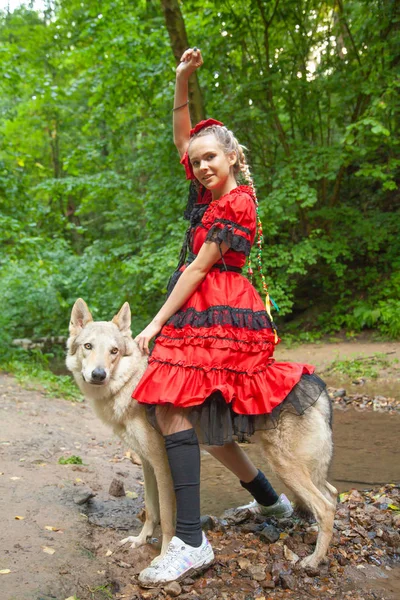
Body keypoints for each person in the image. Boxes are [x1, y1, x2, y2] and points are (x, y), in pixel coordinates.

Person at [132, 48, 325, 586]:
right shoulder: (207, 190)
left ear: (234, 157)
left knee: (174, 409)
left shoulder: (235, 204)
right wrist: (181, 82)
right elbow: (182, 136)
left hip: (217, 311)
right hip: (202, 310)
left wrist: (151, 325)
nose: (201, 165)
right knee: (205, 423)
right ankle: (272, 504)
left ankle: (190, 540)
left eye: (211, 158)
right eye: (197, 162)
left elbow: (195, 271)